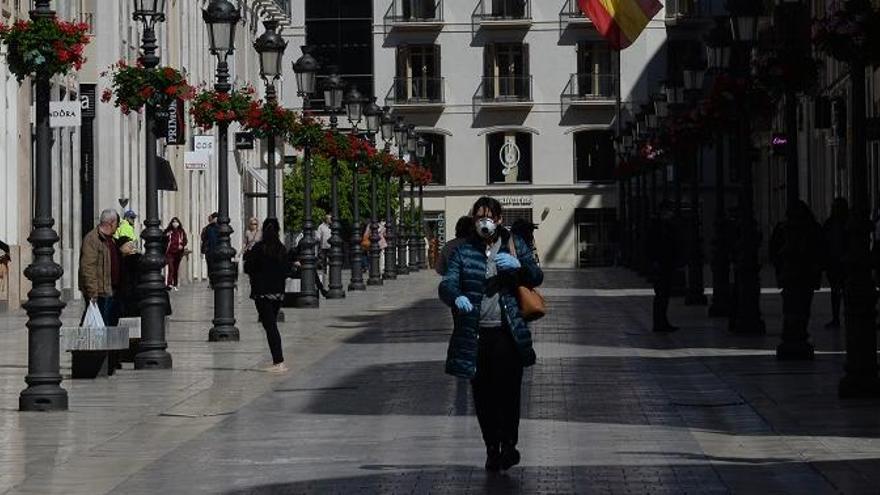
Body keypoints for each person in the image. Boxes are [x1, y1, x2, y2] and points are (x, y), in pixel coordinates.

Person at [439, 196, 544, 473]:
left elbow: (536, 276)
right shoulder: (464, 251)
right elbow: (447, 283)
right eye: (478, 217)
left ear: (498, 218)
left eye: (488, 216)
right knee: (483, 397)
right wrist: (455, 296)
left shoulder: (514, 244)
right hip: (477, 335)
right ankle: (491, 448)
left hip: (507, 333)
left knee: (509, 394)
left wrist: (519, 267)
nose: (483, 222)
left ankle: (509, 444)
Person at [770, 200, 824, 351]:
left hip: (793, 275)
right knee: (802, 306)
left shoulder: (784, 228)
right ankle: (799, 332)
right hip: (805, 275)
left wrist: (779, 267)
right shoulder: (812, 228)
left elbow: (773, 250)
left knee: (791, 305)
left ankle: (793, 332)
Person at [244, 218, 289, 373]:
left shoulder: (258, 248)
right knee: (271, 325)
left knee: (270, 327)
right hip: (277, 294)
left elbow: (248, 267)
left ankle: (279, 361)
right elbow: (286, 270)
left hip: (262, 293)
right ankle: (277, 360)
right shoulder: (281, 248)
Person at [79, 209, 121, 326]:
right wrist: (92, 292)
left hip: (111, 290)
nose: (117, 227)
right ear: (111, 222)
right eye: (117, 223)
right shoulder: (92, 239)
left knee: (110, 325)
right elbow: (87, 267)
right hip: (100, 293)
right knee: (99, 325)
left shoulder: (111, 239)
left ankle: (110, 344)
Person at [647, 202, 683, 333]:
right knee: (661, 295)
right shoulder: (657, 227)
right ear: (663, 212)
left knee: (664, 295)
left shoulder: (665, 226)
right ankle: (659, 323)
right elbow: (652, 246)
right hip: (661, 265)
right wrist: (655, 261)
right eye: (669, 211)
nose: (671, 214)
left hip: (666, 264)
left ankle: (663, 321)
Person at [822, 198, 848, 328]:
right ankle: (838, 317)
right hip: (836, 263)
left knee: (838, 291)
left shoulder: (831, 224)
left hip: (837, 263)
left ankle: (838, 317)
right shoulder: (844, 223)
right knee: (839, 291)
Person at [164, 217, 188, 290]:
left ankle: (175, 284)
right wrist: (166, 235)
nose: (175, 223)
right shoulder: (168, 231)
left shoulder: (181, 231)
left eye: (176, 222)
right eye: (173, 222)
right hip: (170, 252)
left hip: (178, 253)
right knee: (171, 268)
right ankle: (169, 284)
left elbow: (185, 240)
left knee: (175, 269)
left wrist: (182, 245)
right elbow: (163, 238)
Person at [201, 212, 220, 286]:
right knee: (210, 267)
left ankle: (215, 281)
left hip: (218, 251)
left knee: (217, 267)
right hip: (209, 251)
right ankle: (212, 281)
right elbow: (203, 238)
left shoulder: (221, 228)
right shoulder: (207, 228)